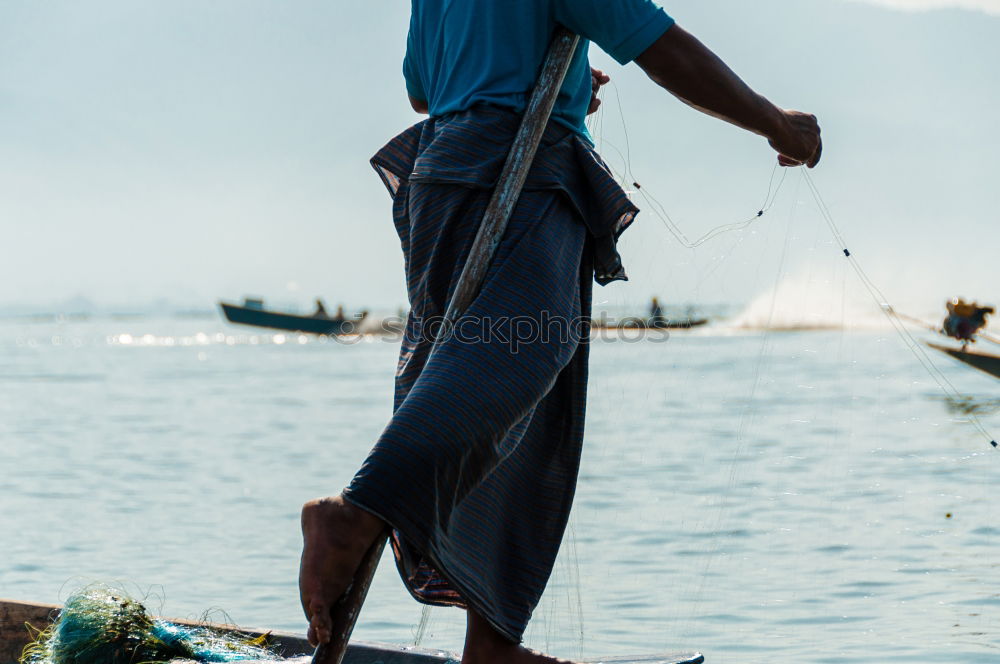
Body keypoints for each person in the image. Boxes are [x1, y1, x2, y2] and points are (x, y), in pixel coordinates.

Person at [299, 2, 822, 663]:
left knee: (524, 417)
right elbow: (665, 51)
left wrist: (563, 79)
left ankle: (492, 643)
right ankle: (352, 514)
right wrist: (780, 125)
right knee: (514, 360)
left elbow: (424, 89)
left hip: (448, 167)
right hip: (511, 167)